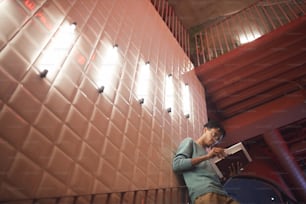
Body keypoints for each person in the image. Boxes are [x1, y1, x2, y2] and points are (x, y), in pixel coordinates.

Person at [172, 120, 240, 204]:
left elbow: (214, 180)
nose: (215, 140)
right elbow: (177, 165)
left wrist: (230, 176)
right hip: (205, 193)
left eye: (218, 139)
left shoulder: (211, 157)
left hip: (223, 194)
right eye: (214, 135)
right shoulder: (190, 143)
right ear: (205, 130)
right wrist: (207, 157)